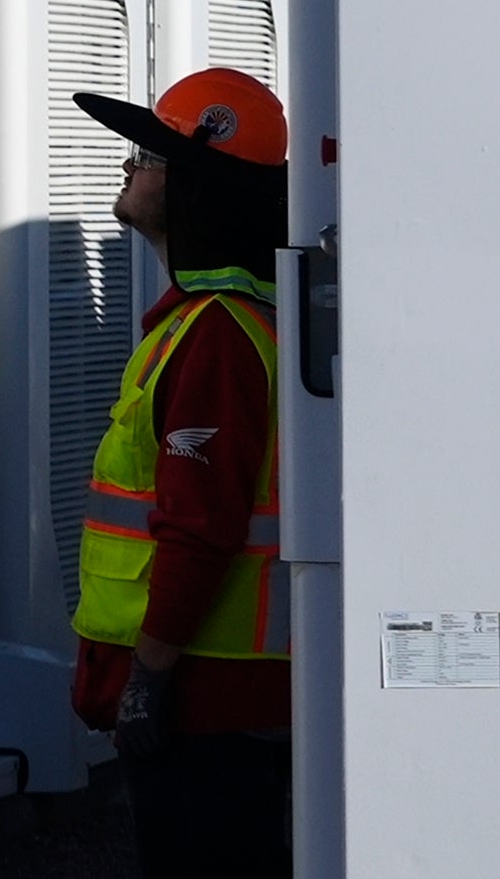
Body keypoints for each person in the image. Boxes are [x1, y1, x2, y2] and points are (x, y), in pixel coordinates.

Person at [69, 67, 296, 879]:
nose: (128, 168)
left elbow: (200, 526)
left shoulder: (216, 337)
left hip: (205, 702)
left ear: (199, 184)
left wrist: (150, 679)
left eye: (148, 156)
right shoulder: (221, 324)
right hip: (213, 699)